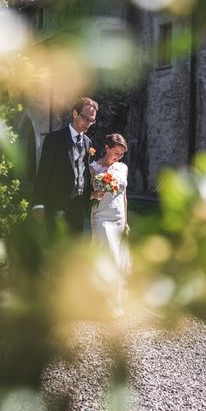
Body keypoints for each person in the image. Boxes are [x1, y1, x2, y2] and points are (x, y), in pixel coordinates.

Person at [32, 97, 98, 239]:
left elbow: (83, 172)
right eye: (85, 118)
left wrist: (90, 193)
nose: (88, 124)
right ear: (75, 113)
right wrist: (38, 203)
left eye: (92, 120)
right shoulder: (54, 139)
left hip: (79, 207)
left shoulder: (88, 142)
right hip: (57, 205)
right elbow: (43, 172)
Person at [89, 133, 130, 316]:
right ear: (106, 147)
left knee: (117, 262)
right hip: (101, 217)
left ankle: (114, 304)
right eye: (116, 152)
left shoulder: (123, 168)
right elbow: (84, 191)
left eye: (121, 154)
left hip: (118, 217)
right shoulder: (93, 167)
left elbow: (124, 196)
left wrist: (126, 220)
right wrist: (92, 195)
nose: (118, 157)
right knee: (107, 258)